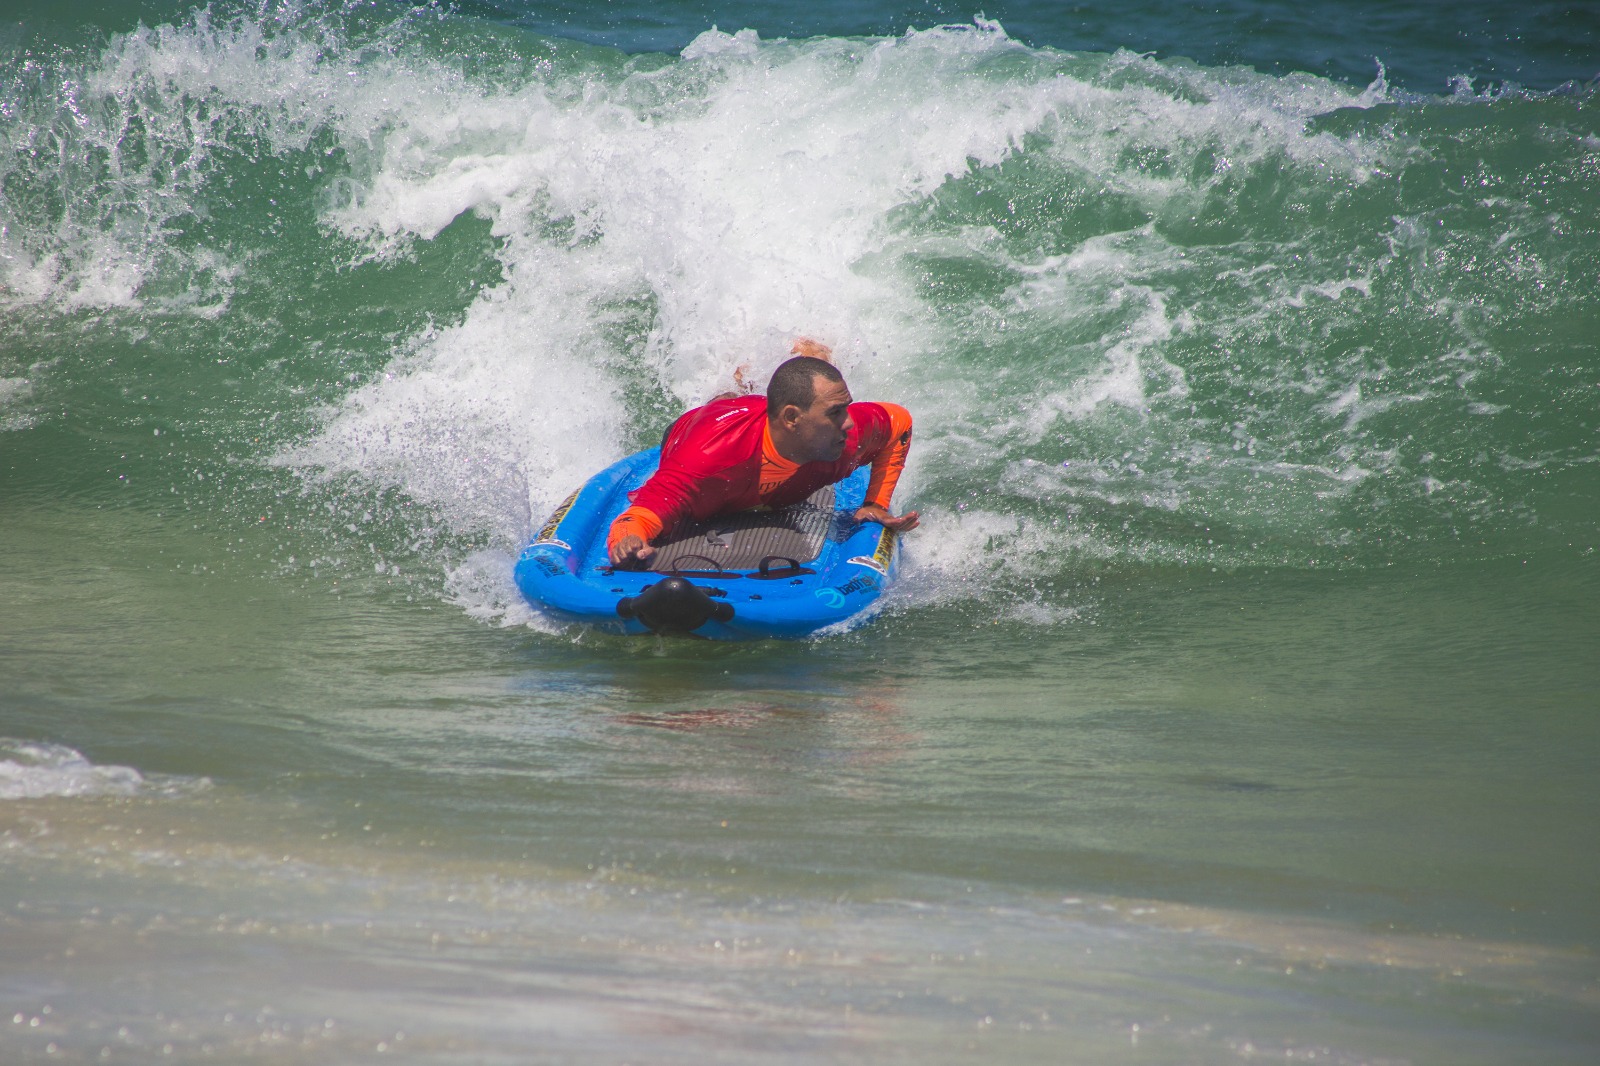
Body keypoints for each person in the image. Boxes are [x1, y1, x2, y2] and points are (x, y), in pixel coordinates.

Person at [607, 341, 920, 569]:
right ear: (793, 419)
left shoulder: (844, 436)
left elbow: (898, 422)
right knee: (726, 400)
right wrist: (628, 540)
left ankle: (805, 353)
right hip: (705, 428)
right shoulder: (705, 459)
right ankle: (738, 377)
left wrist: (875, 503)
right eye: (836, 412)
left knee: (812, 360)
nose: (849, 422)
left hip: (767, 428)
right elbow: (641, 515)